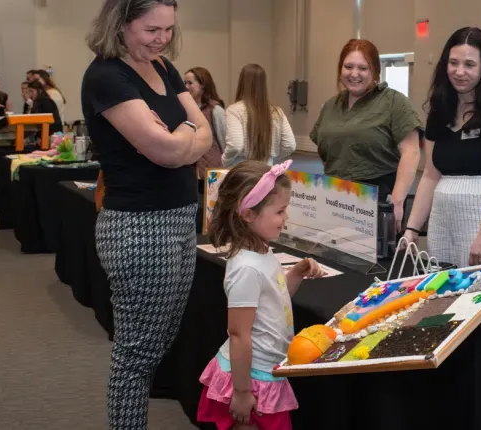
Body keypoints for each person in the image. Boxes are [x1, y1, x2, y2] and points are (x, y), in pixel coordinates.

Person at [82, 0, 213, 427]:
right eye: (151, 29)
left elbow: (203, 136)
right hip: (138, 225)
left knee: (158, 344)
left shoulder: (163, 68)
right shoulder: (106, 75)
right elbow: (164, 151)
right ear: (121, 23)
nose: (162, 39)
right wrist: (180, 141)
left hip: (179, 217)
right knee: (136, 356)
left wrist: (181, 136)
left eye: (169, 30)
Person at [199, 160, 325, 430]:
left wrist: (296, 274)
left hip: (264, 368)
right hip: (251, 378)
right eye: (280, 211)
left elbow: (276, 301)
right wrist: (243, 393)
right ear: (248, 215)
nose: (286, 217)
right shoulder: (246, 268)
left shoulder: (262, 251)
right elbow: (239, 334)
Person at [401, 27, 481, 268]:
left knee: (477, 293)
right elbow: (430, 175)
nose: (459, 71)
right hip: (442, 217)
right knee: (439, 288)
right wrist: (412, 228)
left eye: (469, 64)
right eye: (453, 63)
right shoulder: (439, 109)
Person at [311, 39, 422, 229]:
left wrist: (396, 200)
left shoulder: (394, 102)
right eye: (348, 67)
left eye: (363, 68)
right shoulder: (331, 105)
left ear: (375, 72)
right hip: (333, 196)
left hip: (377, 199)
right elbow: (325, 150)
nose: (354, 74)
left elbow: (411, 152)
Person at [222, 64, 296, 168]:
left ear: (242, 82)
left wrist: (225, 161)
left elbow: (235, 145)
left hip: (241, 170)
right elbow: (290, 145)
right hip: (267, 170)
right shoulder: (277, 112)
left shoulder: (234, 110)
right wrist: (271, 157)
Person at [185, 66, 226, 177]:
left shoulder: (215, 110)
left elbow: (224, 142)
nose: (186, 87)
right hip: (190, 170)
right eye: (185, 83)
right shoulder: (184, 109)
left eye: (190, 83)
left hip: (211, 172)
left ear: (202, 85)